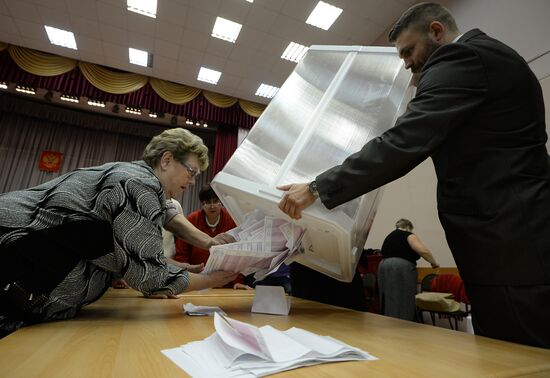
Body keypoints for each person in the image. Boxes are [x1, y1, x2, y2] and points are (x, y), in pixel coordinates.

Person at [277, 2, 550, 348]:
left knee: (518, 355)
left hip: (508, 246)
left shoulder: (459, 59)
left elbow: (403, 141)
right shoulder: (499, 56)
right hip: (520, 239)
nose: (406, 63)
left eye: (409, 51)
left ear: (436, 32)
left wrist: (317, 186)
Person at [0, 128, 238, 336]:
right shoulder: (139, 185)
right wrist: (211, 280)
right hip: (15, 263)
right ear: (167, 159)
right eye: (192, 172)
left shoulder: (137, 177)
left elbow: (167, 216)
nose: (193, 181)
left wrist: (208, 242)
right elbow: (149, 277)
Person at [175, 184, 250, 290]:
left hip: (226, 283)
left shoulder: (232, 219)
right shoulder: (192, 220)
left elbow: (239, 254)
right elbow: (182, 255)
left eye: (215, 201)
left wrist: (237, 282)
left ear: (221, 202)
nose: (212, 206)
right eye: (207, 202)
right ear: (202, 204)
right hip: (196, 282)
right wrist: (182, 281)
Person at [378, 218, 439, 321]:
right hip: (400, 268)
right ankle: (404, 325)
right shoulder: (408, 235)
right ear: (408, 227)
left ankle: (389, 323)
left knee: (389, 299)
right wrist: (433, 262)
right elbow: (423, 251)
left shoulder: (389, 236)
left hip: (383, 266)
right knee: (404, 298)